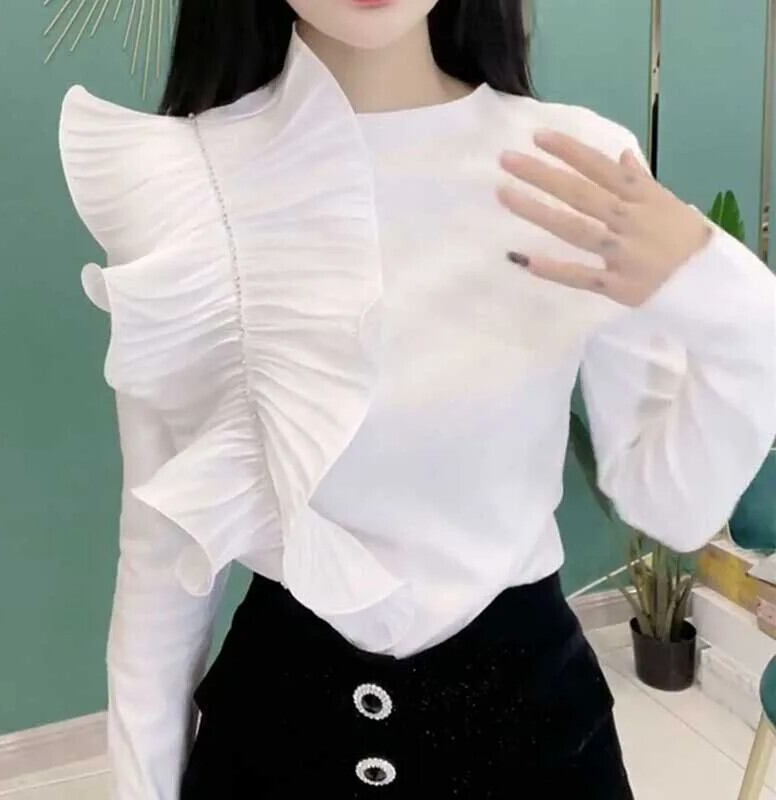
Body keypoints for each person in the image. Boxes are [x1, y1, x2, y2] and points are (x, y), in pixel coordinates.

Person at [57, 1, 776, 797]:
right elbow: (162, 564)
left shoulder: (579, 164)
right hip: (273, 750)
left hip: (538, 752)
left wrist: (735, 298)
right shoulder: (187, 183)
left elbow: (671, 506)